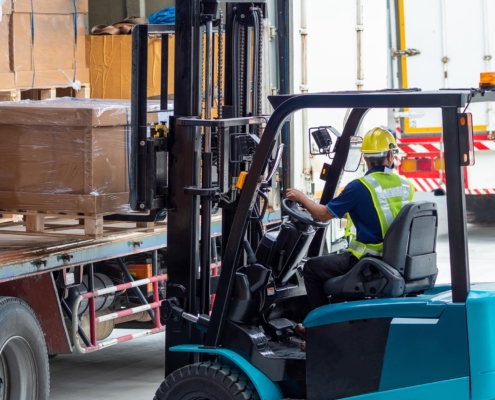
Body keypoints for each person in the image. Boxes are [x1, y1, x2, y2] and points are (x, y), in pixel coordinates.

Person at [286, 127, 414, 311]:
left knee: (312, 268)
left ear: (364, 158)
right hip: (395, 258)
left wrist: (301, 198)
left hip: (368, 261)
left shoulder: (359, 187)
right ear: (390, 156)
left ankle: (319, 328)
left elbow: (322, 214)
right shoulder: (406, 185)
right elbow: (389, 212)